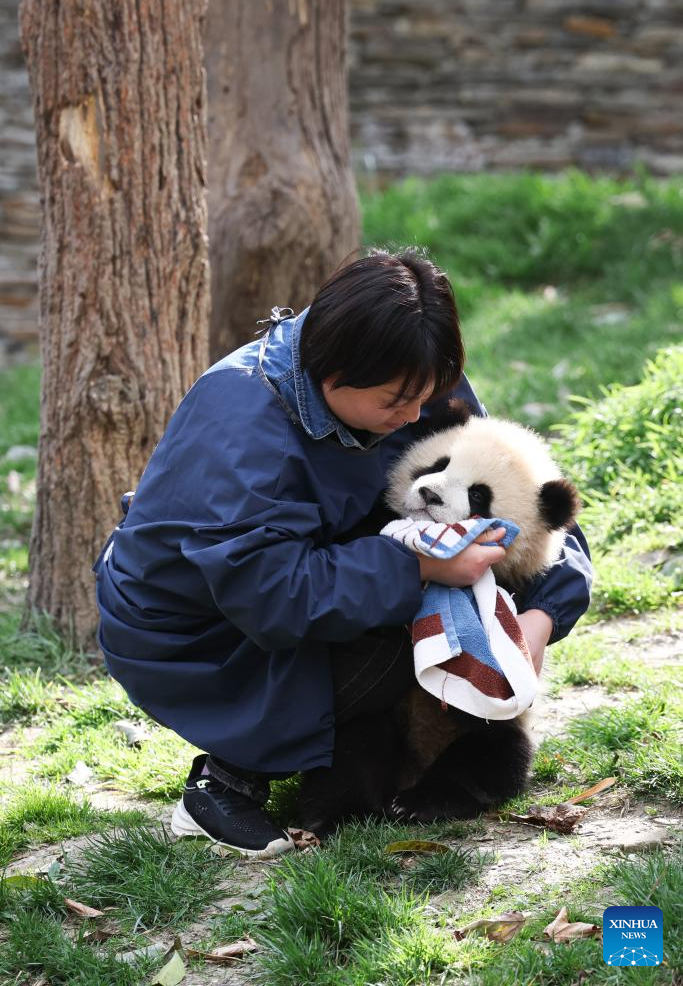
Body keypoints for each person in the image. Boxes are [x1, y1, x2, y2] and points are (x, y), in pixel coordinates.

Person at [93, 249, 592, 858]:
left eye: (427, 394)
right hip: (197, 634)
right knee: (407, 626)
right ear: (335, 372)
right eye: (397, 403)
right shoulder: (242, 424)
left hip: (300, 577)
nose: (417, 415)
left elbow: (531, 507)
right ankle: (231, 775)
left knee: (466, 600)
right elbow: (273, 595)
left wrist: (539, 618)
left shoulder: (405, 370)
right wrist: (419, 567)